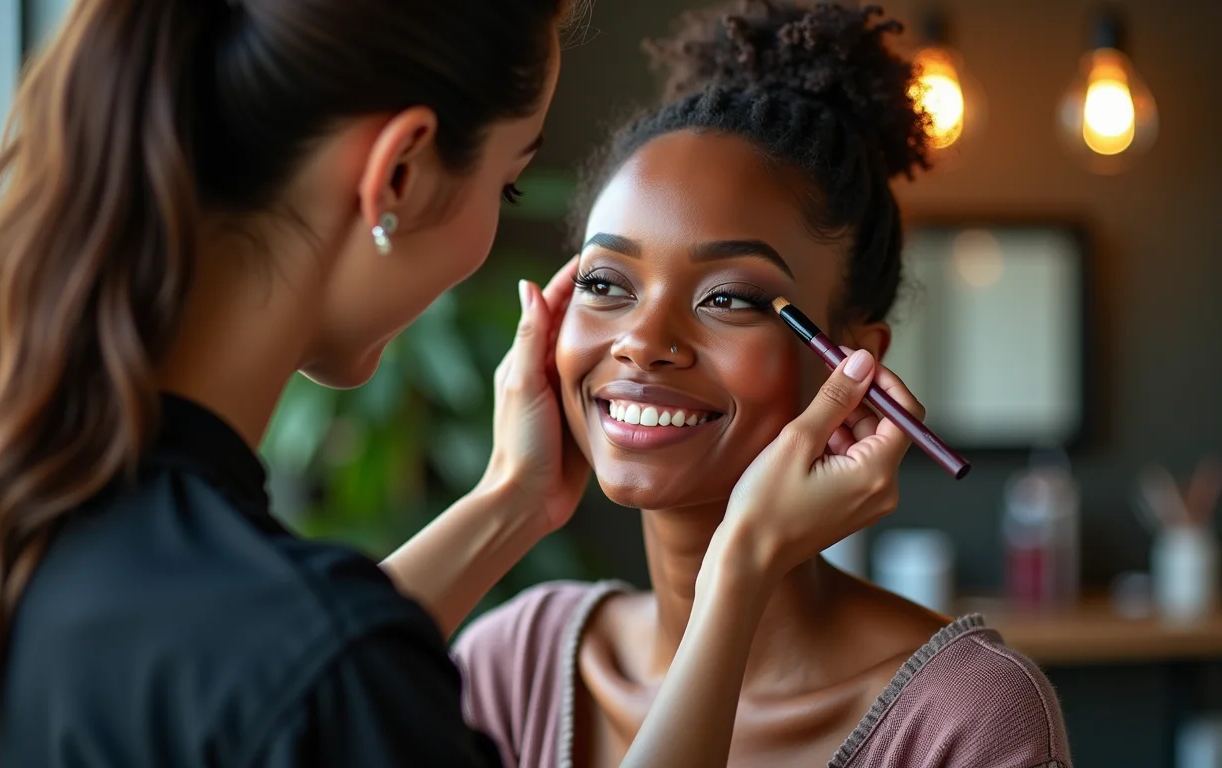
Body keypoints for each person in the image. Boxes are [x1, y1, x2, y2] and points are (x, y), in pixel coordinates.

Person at [0, 0, 934, 766]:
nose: (641, 338)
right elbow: (301, 684)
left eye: (727, 298)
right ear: (402, 174)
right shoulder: (318, 659)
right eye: (508, 182)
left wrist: (509, 502)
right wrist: (742, 560)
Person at [455, 3, 1072, 767]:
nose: (641, 343)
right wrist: (511, 494)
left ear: (852, 365)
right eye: (607, 282)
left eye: (728, 298)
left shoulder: (966, 719)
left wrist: (741, 563)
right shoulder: (511, 666)